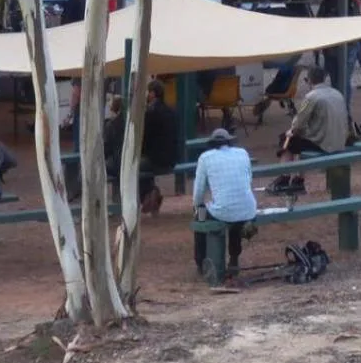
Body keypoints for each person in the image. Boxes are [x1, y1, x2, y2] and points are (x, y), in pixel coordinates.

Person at [191, 128, 257, 284]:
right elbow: (248, 181)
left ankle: (201, 261)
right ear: (229, 142)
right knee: (234, 217)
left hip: (223, 210)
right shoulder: (242, 153)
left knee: (201, 217)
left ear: (212, 145)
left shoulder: (205, 158)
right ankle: (234, 258)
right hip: (248, 208)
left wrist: (197, 207)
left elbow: (199, 193)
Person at [271, 67, 349, 194]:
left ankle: (284, 178)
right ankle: (298, 179)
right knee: (301, 142)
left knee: (286, 140)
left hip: (324, 143)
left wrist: (291, 132)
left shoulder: (312, 96)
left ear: (309, 80)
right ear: (324, 78)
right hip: (339, 140)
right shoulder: (337, 93)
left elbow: (298, 123)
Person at [139, 80, 181, 215]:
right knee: (144, 164)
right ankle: (151, 192)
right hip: (172, 159)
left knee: (134, 166)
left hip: (156, 160)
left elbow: (145, 139)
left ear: (152, 93)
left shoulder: (150, 113)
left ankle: (148, 193)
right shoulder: (171, 111)